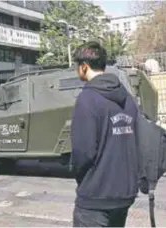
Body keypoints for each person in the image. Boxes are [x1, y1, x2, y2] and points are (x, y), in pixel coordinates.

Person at [71, 41, 139, 227]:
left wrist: (81, 178)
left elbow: (83, 152)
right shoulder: (126, 97)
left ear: (84, 67)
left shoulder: (87, 99)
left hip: (95, 197)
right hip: (124, 194)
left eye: (77, 67)